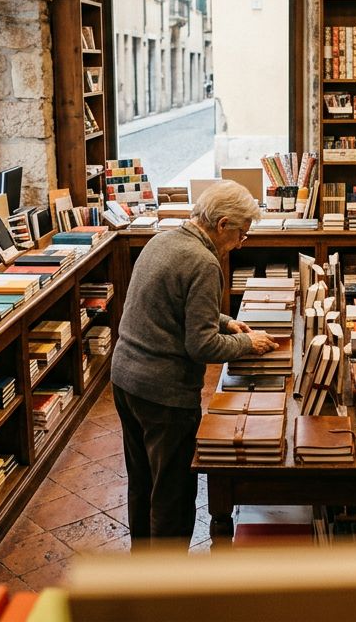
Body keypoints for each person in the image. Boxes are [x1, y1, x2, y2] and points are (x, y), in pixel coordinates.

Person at [110, 181, 277, 547]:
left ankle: (142, 567)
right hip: (163, 392)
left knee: (142, 482)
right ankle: (169, 587)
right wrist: (246, 342)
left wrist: (224, 320)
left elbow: (171, 303)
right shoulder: (204, 262)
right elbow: (201, 345)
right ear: (222, 224)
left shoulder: (163, 241)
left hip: (125, 378)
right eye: (241, 235)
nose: (239, 243)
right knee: (172, 493)